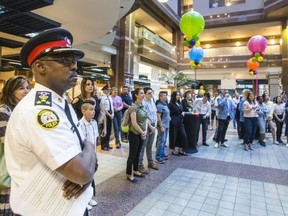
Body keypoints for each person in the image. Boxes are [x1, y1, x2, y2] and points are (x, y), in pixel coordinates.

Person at [5, 28, 96, 216]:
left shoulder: (61, 104)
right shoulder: (38, 110)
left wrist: (86, 166)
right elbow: (81, 171)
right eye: (65, 61)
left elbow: (84, 166)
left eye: (74, 62)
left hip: (67, 206)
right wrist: (90, 146)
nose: (74, 67)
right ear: (40, 67)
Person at [0, 76, 30, 216]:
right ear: (11, 91)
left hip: (20, 169)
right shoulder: (4, 110)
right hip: (7, 170)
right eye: (21, 88)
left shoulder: (23, 111)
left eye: (28, 88)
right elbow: (9, 142)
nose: (26, 91)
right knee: (7, 208)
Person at [79, 102, 99, 211]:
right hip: (85, 156)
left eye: (94, 109)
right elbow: (81, 143)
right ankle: (83, 201)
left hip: (93, 154)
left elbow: (95, 139)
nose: (93, 111)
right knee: (84, 178)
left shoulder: (94, 123)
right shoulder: (80, 124)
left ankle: (89, 197)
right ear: (83, 111)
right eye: (91, 109)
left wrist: (95, 154)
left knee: (91, 176)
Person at [126, 88, 148, 183]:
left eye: (143, 93)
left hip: (141, 133)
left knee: (138, 153)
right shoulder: (133, 107)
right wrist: (142, 132)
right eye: (141, 93)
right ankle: (129, 174)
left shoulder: (142, 106)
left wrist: (145, 130)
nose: (143, 95)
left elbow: (146, 119)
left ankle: (135, 170)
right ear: (136, 95)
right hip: (134, 133)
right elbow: (134, 123)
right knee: (132, 154)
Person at [138, 87, 158, 173]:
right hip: (146, 126)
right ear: (145, 94)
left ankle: (150, 162)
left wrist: (155, 125)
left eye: (152, 93)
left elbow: (155, 114)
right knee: (143, 147)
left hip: (153, 125)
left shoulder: (152, 101)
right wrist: (151, 127)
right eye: (149, 93)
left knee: (150, 146)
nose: (151, 94)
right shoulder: (143, 103)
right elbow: (145, 118)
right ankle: (140, 165)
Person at [168, 91, 188, 156]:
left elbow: (181, 110)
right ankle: (173, 150)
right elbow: (169, 114)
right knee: (173, 137)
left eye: (179, 95)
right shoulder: (171, 104)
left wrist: (182, 113)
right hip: (174, 122)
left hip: (180, 122)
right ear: (174, 96)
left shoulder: (179, 103)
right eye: (177, 95)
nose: (178, 96)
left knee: (183, 136)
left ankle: (180, 150)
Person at [155, 91, 171, 163]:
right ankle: (158, 157)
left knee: (164, 141)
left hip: (166, 125)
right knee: (161, 142)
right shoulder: (159, 105)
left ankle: (162, 154)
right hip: (162, 126)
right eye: (163, 95)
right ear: (160, 97)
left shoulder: (165, 104)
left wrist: (169, 117)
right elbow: (158, 117)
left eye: (166, 95)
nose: (165, 96)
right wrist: (161, 126)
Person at [100, 84, 114, 150]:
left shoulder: (109, 97)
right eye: (108, 89)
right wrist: (109, 114)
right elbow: (103, 108)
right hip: (105, 115)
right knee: (104, 129)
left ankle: (107, 144)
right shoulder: (102, 97)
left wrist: (113, 113)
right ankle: (104, 145)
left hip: (111, 114)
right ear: (104, 90)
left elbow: (112, 106)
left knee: (109, 130)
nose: (109, 91)